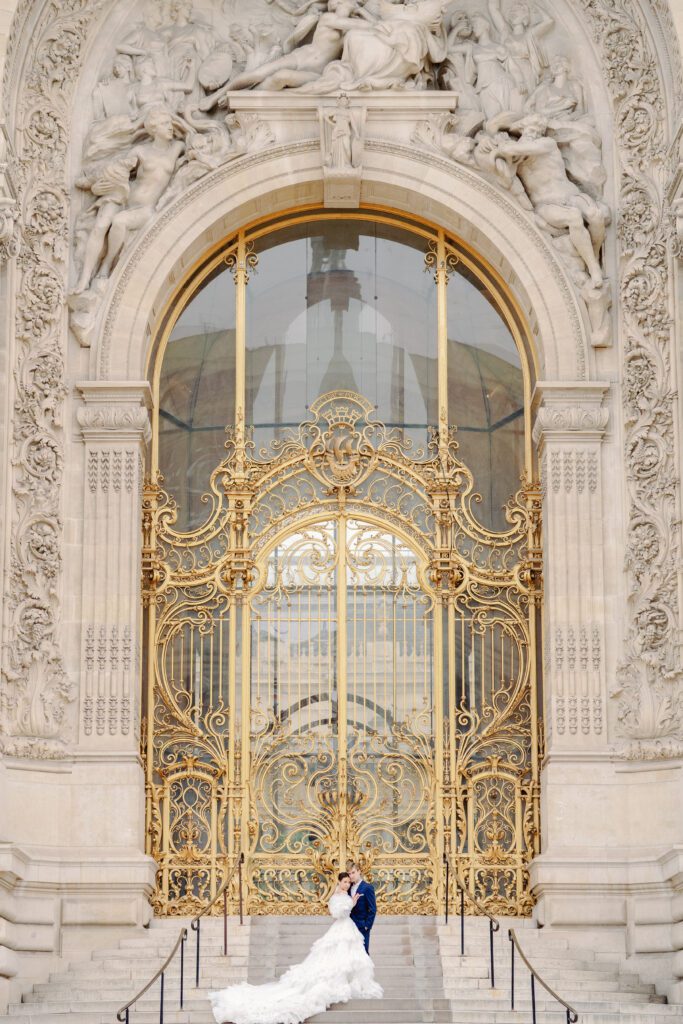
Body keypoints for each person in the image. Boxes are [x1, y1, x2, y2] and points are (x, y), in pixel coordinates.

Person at [208, 872, 382, 1024]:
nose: (347, 884)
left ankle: (348, 982)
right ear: (339, 882)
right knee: (335, 958)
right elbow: (338, 913)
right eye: (344, 882)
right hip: (341, 928)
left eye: (348, 882)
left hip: (348, 928)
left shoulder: (349, 893)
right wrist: (351, 903)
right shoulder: (339, 896)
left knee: (347, 958)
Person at [348, 862, 377, 952]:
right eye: (349, 874)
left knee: (363, 953)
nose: (351, 876)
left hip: (362, 926)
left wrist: (367, 926)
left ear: (359, 871)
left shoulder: (367, 888)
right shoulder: (348, 887)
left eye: (353, 872)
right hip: (349, 927)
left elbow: (373, 908)